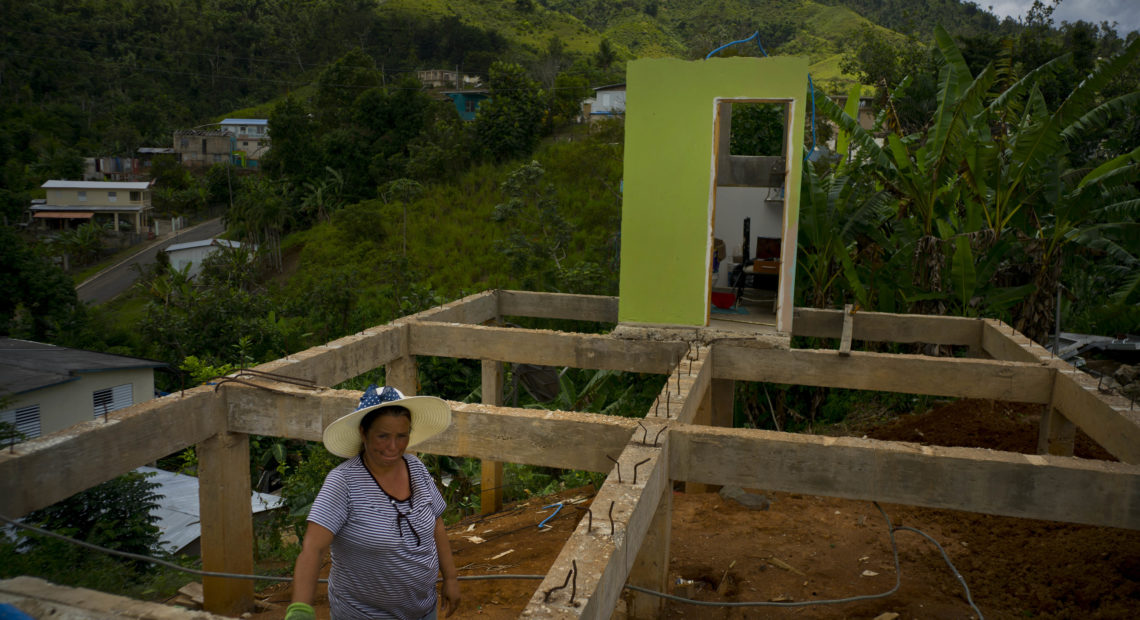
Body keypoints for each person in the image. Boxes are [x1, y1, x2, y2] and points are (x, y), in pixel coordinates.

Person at [285, 384, 460, 620]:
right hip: (364, 614)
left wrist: (450, 578)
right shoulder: (343, 483)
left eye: (402, 436)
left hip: (424, 610)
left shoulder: (416, 469)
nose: (393, 446)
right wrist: (300, 609)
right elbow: (313, 548)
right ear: (363, 433)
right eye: (383, 436)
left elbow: (436, 525)